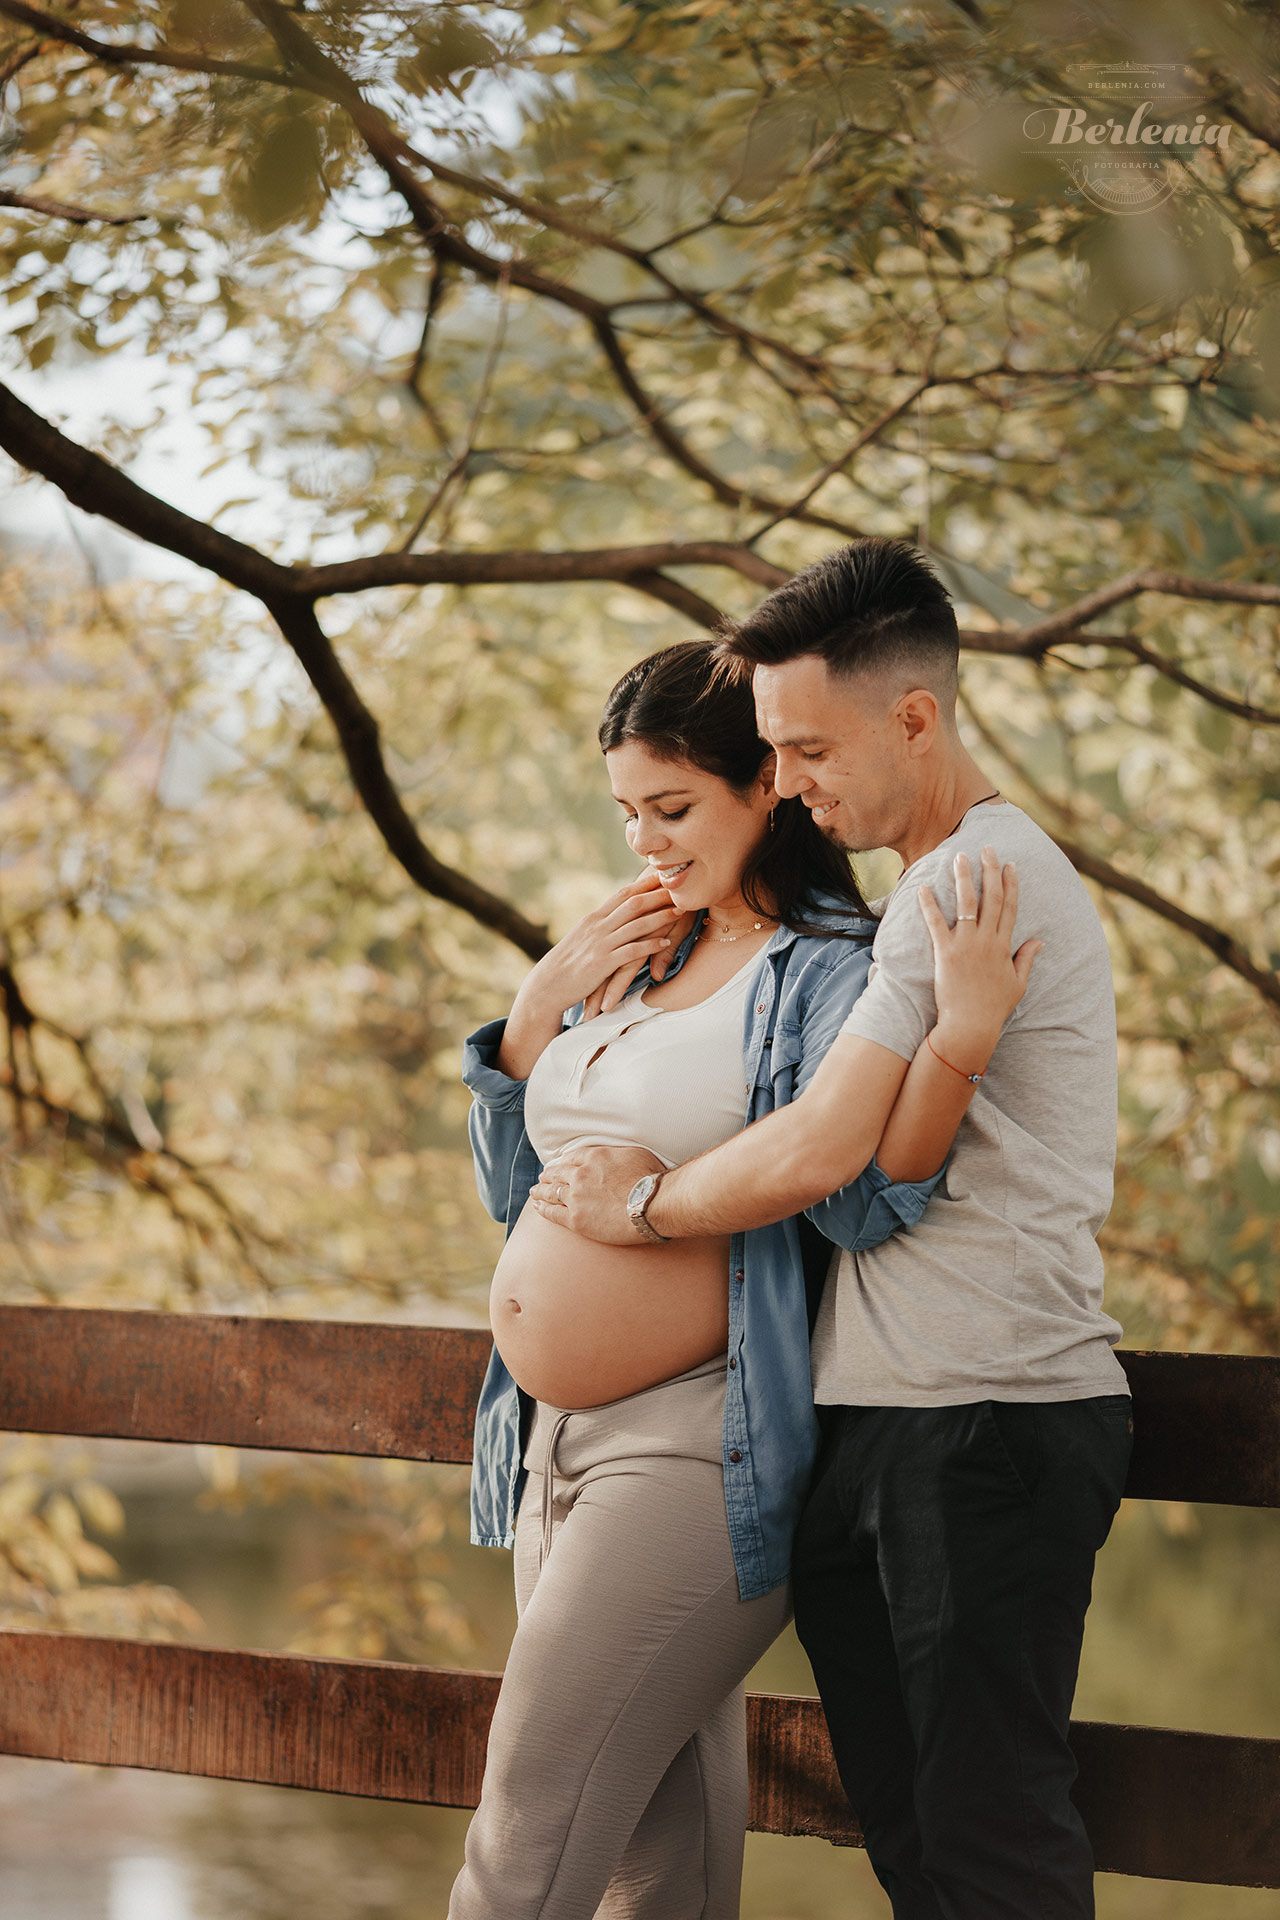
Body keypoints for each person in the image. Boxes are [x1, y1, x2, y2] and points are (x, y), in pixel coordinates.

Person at [540, 540, 1134, 1920]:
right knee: (920, 1850)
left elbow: (825, 1148)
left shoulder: (967, 885)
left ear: (913, 717)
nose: (793, 784)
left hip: (986, 1412)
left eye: (810, 749)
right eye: (774, 750)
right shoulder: (932, 887)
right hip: (887, 1415)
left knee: (988, 1843)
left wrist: (636, 1210)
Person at [452, 637, 1038, 1920]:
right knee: (648, 1859)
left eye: (671, 809)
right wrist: (537, 1007)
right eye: (626, 816)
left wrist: (956, 1037)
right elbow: (519, 1198)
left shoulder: (836, 968)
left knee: (525, 1829)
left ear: (767, 782)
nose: (644, 846)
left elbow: (867, 1197)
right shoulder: (636, 955)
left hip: (693, 1438)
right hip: (547, 1439)